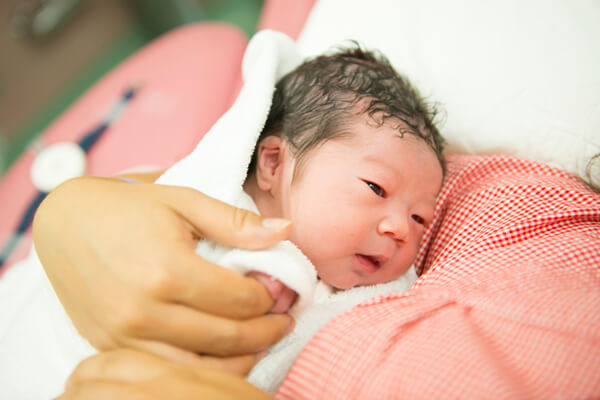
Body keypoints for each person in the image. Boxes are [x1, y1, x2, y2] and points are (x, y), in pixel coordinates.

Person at [34, 44, 445, 398]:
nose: (400, 229)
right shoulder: (204, 196)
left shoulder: (369, 307)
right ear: (273, 163)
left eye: (419, 217)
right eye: (376, 188)